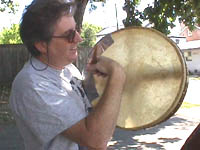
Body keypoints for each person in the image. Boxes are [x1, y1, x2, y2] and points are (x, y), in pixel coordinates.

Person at [9, 0, 126, 150]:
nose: (79, 38)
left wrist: (93, 80)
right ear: (41, 45)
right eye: (69, 35)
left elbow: (89, 110)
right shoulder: (33, 85)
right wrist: (117, 76)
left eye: (76, 30)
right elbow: (95, 140)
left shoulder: (68, 69)